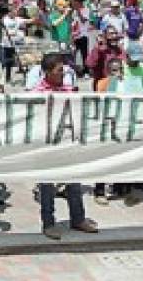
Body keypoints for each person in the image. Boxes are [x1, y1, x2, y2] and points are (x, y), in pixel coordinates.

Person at [33, 53, 98, 237]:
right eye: (59, 70)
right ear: (47, 72)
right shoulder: (37, 94)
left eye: (64, 70)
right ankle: (48, 223)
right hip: (46, 146)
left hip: (68, 144)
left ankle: (78, 219)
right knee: (47, 186)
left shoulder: (70, 91)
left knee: (74, 182)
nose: (63, 73)